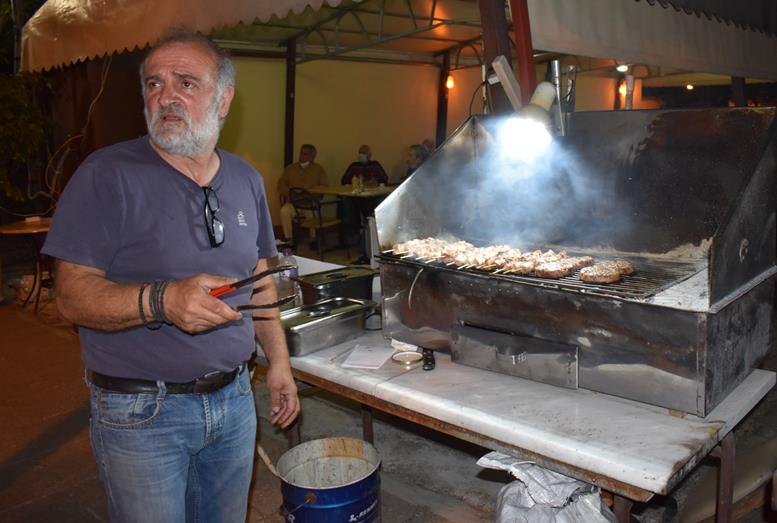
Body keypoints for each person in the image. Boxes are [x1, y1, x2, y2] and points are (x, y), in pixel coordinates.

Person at [41, 29, 299, 523]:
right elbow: (70, 297)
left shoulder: (245, 179)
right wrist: (161, 301)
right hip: (142, 412)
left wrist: (279, 364)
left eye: (186, 83)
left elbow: (261, 277)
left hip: (235, 398)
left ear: (224, 100)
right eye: (154, 84)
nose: (166, 96)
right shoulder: (105, 174)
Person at [277, 144, 328, 241]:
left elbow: (324, 186)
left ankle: (313, 239)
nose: (302, 156)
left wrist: (311, 192)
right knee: (284, 211)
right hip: (293, 202)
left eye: (306, 154)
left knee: (313, 215)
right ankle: (289, 238)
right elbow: (281, 184)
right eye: (301, 153)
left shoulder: (318, 169)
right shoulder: (290, 168)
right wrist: (290, 193)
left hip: (310, 203)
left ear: (312, 156)